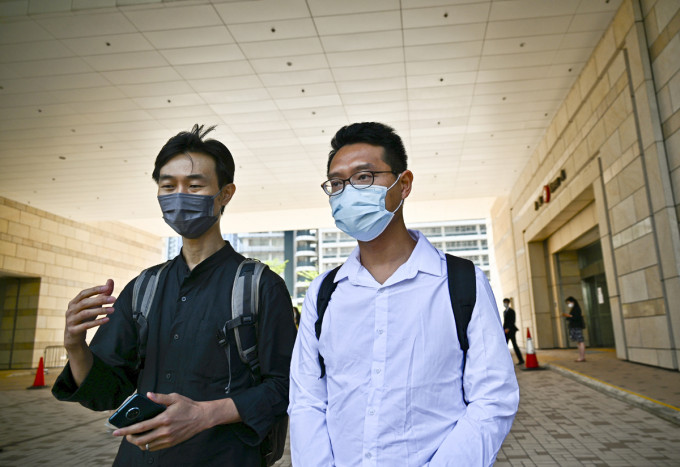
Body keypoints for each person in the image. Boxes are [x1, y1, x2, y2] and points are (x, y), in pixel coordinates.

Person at [52, 125, 297, 466]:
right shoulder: (143, 287)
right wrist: (75, 345)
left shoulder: (260, 286)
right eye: (168, 186)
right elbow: (104, 392)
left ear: (225, 193)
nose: (179, 195)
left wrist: (206, 414)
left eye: (195, 185)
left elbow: (287, 387)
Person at [288, 122, 519, 466]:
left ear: (404, 184)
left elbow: (493, 398)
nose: (348, 192)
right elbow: (307, 399)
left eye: (364, 177)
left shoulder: (461, 282)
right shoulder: (324, 293)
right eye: (337, 183)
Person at [562, 296, 586, 362]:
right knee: (579, 342)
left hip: (576, 326)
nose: (568, 304)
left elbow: (575, 317)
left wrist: (568, 316)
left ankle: (582, 357)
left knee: (580, 341)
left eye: (568, 303)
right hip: (575, 326)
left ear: (572, 302)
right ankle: (581, 356)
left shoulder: (576, 309)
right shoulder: (575, 308)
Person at [502, 298, 524, 365]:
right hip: (505, 331)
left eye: (506, 302)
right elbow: (505, 322)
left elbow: (513, 321)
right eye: (504, 302)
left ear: (508, 303)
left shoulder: (512, 311)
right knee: (504, 346)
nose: (505, 304)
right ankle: (504, 361)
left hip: (511, 331)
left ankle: (521, 360)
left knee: (514, 345)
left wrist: (508, 328)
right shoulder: (504, 312)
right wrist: (503, 329)